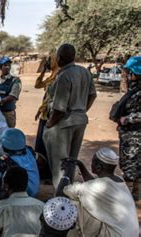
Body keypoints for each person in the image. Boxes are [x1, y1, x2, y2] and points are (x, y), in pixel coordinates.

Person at [43, 43, 97, 189]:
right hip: (80, 120)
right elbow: (93, 95)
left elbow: (60, 108)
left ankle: (60, 197)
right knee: (71, 161)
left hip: (63, 122)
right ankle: (69, 191)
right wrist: (82, 110)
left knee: (59, 163)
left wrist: (49, 124)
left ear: (60, 58)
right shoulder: (85, 72)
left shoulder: (64, 76)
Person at [56, 148, 139, 237]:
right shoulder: (118, 180)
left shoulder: (96, 186)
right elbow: (93, 184)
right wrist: (81, 165)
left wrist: (67, 172)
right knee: (85, 200)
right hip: (131, 233)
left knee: (72, 205)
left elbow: (62, 192)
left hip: (114, 235)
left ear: (99, 167)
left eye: (93, 161)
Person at [0, 167, 44, 237]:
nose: (1, 186)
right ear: (25, 185)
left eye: (3, 183)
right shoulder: (42, 206)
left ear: (6, 186)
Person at [114, 56, 140, 199]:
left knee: (132, 170)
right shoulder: (134, 90)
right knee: (130, 167)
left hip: (136, 137)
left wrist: (128, 119)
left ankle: (129, 199)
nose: (129, 76)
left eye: (131, 73)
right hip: (129, 136)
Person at [34, 51, 60, 165]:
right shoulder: (51, 76)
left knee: (46, 143)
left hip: (50, 114)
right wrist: (43, 71)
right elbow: (37, 85)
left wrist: (40, 109)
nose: (48, 62)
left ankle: (47, 169)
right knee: (40, 143)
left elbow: (51, 98)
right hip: (44, 113)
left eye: (50, 60)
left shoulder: (58, 77)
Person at [0, 56, 22, 128]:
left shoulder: (15, 81)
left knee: (8, 135)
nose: (7, 67)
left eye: (9, 65)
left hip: (7, 113)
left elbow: (13, 95)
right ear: (0, 67)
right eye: (5, 65)